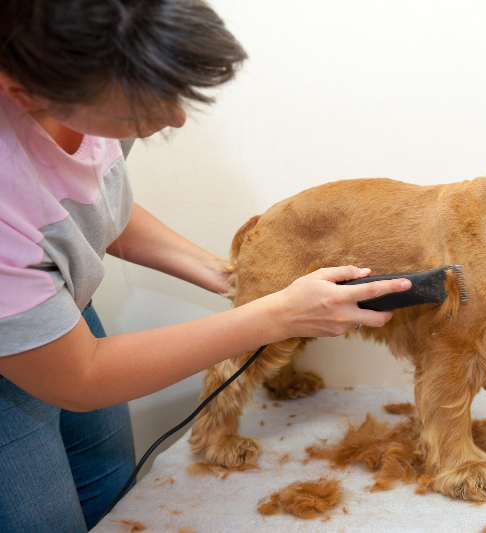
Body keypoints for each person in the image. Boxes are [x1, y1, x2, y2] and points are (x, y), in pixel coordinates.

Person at [0, 1, 410, 531]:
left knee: (112, 490)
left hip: (58, 308)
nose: (174, 117)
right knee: (44, 518)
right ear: (23, 93)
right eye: (139, 112)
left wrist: (228, 276)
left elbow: (86, 208)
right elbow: (81, 376)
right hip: (27, 352)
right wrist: (278, 315)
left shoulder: (91, 80)